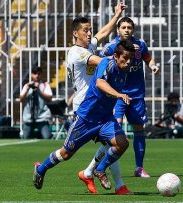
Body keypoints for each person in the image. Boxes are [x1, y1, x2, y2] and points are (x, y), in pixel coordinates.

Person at [32, 40, 134, 194]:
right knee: (66, 154)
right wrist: (119, 95)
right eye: (124, 58)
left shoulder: (124, 70)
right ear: (115, 56)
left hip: (105, 119)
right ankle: (41, 168)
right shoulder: (107, 63)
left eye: (130, 59)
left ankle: (99, 170)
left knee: (122, 143)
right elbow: (100, 83)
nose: (127, 62)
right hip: (86, 119)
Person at [80, 17, 159, 181]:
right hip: (116, 96)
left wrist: (153, 66)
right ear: (118, 30)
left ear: (133, 30)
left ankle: (139, 168)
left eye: (129, 27)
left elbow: (148, 58)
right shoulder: (111, 48)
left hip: (136, 94)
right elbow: (100, 62)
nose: (126, 30)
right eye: (123, 27)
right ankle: (97, 169)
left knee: (139, 129)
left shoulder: (141, 45)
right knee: (113, 133)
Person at [67, 3, 131, 195]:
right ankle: (95, 175)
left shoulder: (87, 46)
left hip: (97, 103)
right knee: (69, 152)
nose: (89, 34)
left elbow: (102, 33)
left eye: (89, 30)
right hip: (86, 106)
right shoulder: (77, 53)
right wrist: (121, 54)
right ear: (76, 34)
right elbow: (103, 61)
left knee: (114, 144)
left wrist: (116, 15)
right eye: (86, 30)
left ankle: (99, 177)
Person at [20, 66, 53, 139]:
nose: (37, 76)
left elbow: (50, 98)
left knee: (47, 137)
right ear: (31, 74)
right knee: (26, 138)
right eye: (35, 73)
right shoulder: (27, 85)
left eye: (39, 74)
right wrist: (27, 89)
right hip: (28, 118)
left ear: (41, 74)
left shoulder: (45, 85)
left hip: (42, 117)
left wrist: (39, 91)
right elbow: (21, 99)